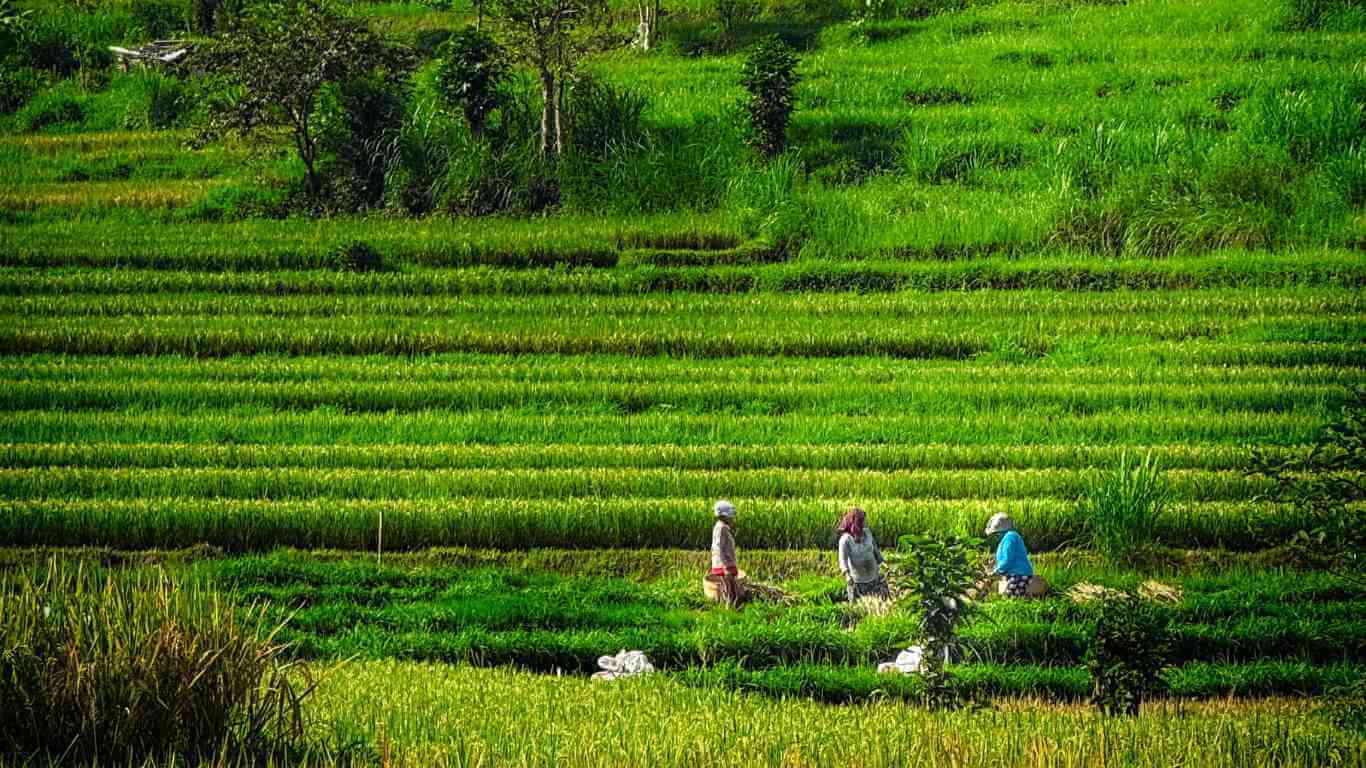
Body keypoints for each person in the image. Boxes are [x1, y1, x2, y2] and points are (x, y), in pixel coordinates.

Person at [836, 506, 888, 602]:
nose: (865, 523)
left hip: (874, 578)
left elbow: (875, 550)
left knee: (881, 606)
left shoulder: (867, 533)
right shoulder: (846, 540)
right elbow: (842, 560)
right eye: (862, 521)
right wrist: (847, 576)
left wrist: (883, 563)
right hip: (858, 582)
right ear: (856, 523)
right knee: (860, 610)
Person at [985, 512, 1036, 597]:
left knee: (1010, 596)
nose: (995, 536)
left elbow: (1007, 559)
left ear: (1002, 530)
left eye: (996, 534)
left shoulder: (1010, 537)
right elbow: (1002, 559)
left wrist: (996, 571)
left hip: (1019, 574)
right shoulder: (1004, 540)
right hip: (1012, 574)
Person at [708, 499, 743, 607]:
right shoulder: (721, 528)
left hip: (726, 564)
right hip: (725, 565)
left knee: (732, 591)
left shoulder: (721, 527)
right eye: (730, 516)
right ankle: (729, 613)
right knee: (729, 593)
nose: (732, 518)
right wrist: (725, 567)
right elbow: (718, 548)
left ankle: (732, 611)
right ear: (724, 516)